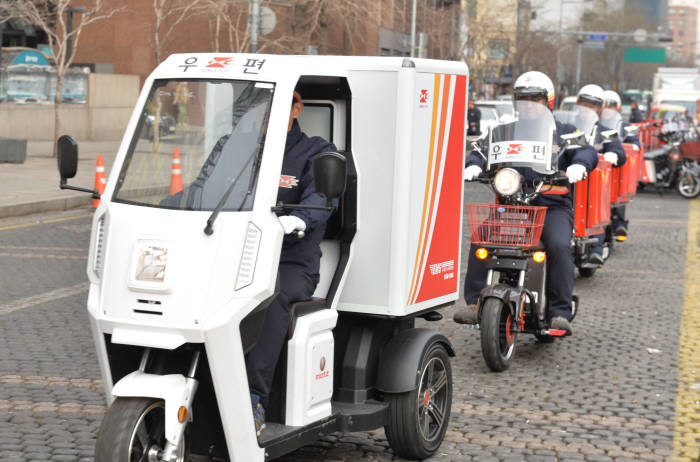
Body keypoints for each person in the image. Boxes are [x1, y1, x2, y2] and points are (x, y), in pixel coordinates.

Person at [456, 71, 598, 335]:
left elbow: (586, 149)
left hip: (552, 207)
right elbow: (478, 149)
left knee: (557, 244)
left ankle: (559, 312)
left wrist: (580, 163)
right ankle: (474, 302)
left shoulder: (564, 132)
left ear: (548, 102)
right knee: (481, 237)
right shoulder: (503, 132)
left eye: (535, 99)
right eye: (523, 99)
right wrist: (473, 166)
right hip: (511, 205)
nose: (529, 105)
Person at [245, 88, 337, 435]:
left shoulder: (317, 151)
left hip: (290, 262)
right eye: (262, 107)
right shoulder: (240, 148)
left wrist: (297, 218)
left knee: (271, 298)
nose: (266, 114)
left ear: (297, 108)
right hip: (236, 257)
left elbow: (324, 195)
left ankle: (253, 399)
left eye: (279, 106)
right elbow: (202, 185)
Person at [575, 85, 626, 265]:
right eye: (584, 104)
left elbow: (620, 152)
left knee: (596, 208)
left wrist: (613, 155)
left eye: (592, 105)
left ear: (599, 108)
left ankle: (596, 248)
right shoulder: (566, 127)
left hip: (594, 185)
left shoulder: (607, 131)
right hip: (569, 180)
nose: (587, 109)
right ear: (577, 104)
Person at [603, 90, 641, 238]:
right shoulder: (594, 125)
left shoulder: (624, 126)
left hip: (618, 169)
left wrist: (633, 146)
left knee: (619, 193)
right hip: (599, 168)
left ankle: (620, 223)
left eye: (611, 106)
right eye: (605, 105)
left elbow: (634, 140)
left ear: (617, 108)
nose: (607, 109)